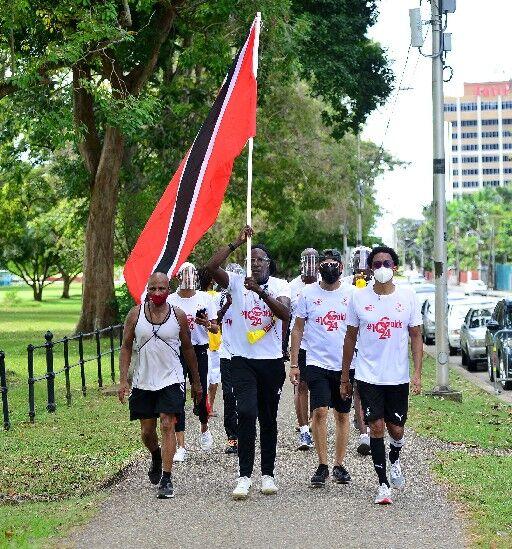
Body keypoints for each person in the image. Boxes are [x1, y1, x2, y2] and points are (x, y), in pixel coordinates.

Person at [207, 226, 290, 500]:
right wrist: (235, 243)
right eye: (251, 259)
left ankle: (268, 473)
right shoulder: (236, 281)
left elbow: (285, 313)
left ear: (269, 264)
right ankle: (244, 476)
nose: (255, 263)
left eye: (260, 260)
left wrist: (261, 292)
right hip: (242, 360)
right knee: (246, 412)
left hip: (271, 362)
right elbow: (209, 268)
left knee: (268, 418)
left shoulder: (280, 286)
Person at [341, 246, 423, 505]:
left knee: (396, 429)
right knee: (376, 426)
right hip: (368, 374)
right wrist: (345, 376)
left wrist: (418, 374)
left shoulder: (408, 296)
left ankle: (395, 460)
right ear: (370, 268)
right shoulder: (358, 297)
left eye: (387, 263)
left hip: (397, 376)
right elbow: (350, 337)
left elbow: (416, 335)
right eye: (376, 264)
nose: (382, 268)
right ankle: (382, 483)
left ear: (395, 267)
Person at [118, 272, 202, 499]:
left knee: (167, 423)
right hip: (144, 380)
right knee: (147, 431)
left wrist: (196, 382)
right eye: (153, 288)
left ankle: (167, 477)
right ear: (147, 289)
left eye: (162, 289)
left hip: (171, 378)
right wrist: (123, 379)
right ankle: (156, 454)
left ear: (168, 289)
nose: (157, 293)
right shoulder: (135, 315)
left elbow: (187, 349)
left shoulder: (178, 315)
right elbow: (126, 347)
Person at [290, 249, 353, 487]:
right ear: (318, 268)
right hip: (316, 361)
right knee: (319, 412)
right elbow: (297, 329)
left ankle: (339, 464)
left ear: (341, 267)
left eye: (333, 264)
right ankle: (322, 464)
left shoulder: (352, 294)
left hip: (345, 364)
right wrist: (294, 363)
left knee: (342, 414)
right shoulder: (307, 294)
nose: (329, 267)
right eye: (324, 264)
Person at [168, 262, 219, 460]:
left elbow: (215, 329)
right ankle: (181, 445)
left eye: (191, 275)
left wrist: (205, 323)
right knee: (177, 395)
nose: (188, 280)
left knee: (201, 391)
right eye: (184, 275)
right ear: (178, 278)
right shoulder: (171, 300)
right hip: (177, 350)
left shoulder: (205, 298)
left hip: (200, 350)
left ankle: (204, 428)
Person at [288, 248, 319, 450]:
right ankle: (304, 430)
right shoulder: (291, 287)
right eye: (306, 261)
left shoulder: (323, 284)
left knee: (317, 387)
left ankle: (314, 423)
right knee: (301, 387)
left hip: (319, 345)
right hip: (299, 344)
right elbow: (286, 317)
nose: (309, 265)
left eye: (313, 261)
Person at [217, 263, 245, 455]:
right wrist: (228, 302)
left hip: (245, 353)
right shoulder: (221, 297)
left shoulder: (247, 295)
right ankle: (232, 437)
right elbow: (216, 320)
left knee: (246, 395)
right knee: (229, 395)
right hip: (227, 353)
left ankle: (246, 434)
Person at [198, 267, 222, 417]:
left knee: (204, 378)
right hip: (216, 342)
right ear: (212, 280)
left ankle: (203, 406)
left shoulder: (197, 298)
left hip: (203, 343)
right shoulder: (217, 297)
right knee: (214, 378)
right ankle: (210, 407)